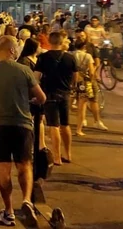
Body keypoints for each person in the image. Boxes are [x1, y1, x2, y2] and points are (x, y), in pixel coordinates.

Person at [0, 35, 46, 227]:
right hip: (23, 124)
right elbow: (41, 98)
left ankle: (8, 210)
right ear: (11, 50)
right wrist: (30, 101)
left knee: (3, 170)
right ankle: (26, 201)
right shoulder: (24, 70)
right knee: (25, 165)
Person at [34, 32, 77, 165]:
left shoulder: (43, 57)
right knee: (65, 125)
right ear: (61, 41)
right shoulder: (71, 58)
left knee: (54, 126)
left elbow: (36, 77)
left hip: (49, 94)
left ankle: (57, 157)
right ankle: (68, 154)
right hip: (65, 94)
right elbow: (75, 78)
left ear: (50, 41)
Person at [74, 42, 106, 135]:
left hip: (77, 82)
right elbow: (92, 72)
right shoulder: (87, 56)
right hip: (86, 82)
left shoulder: (72, 54)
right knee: (84, 104)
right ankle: (79, 129)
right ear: (84, 46)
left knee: (79, 104)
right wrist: (92, 80)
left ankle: (81, 124)